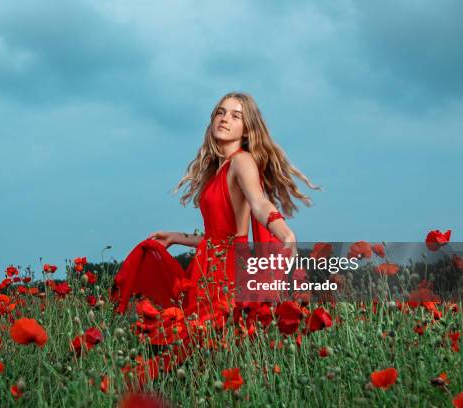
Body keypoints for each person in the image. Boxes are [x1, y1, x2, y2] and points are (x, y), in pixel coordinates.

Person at [111, 92, 317, 384]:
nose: (225, 119)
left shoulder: (242, 161)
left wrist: (283, 230)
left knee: (211, 345)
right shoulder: (220, 168)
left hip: (227, 272)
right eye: (221, 112)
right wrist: (178, 237)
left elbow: (259, 204)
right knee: (201, 351)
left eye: (236, 115)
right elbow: (218, 236)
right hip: (208, 267)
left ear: (247, 129)